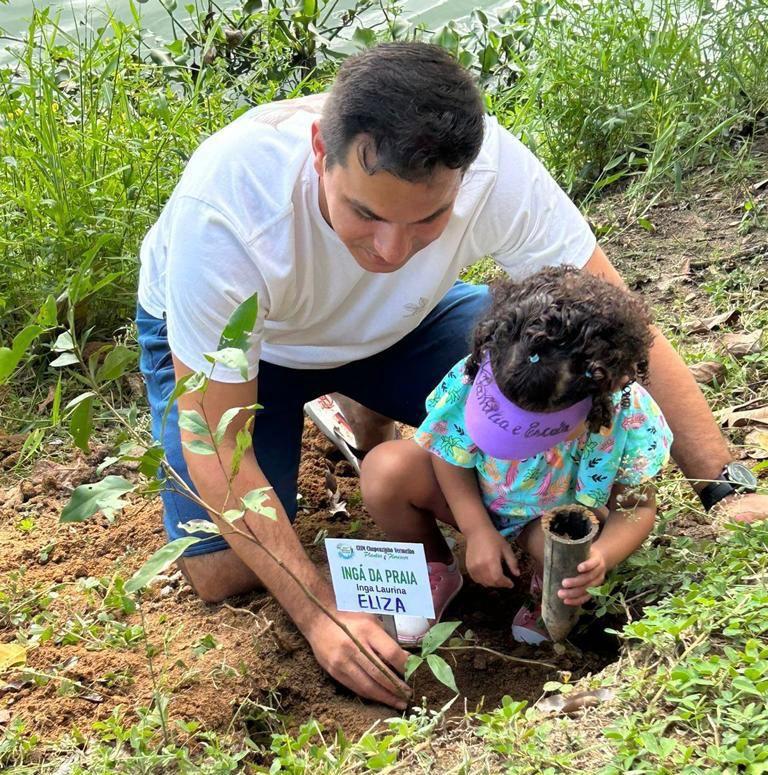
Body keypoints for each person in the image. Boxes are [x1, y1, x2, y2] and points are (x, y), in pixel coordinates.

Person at [136, 42, 764, 710]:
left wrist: (725, 489)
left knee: (545, 399)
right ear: (321, 148)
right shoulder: (229, 212)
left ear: (465, 177)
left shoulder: (497, 170)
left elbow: (621, 327)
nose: (391, 250)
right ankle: (330, 399)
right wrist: (320, 616)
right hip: (253, 352)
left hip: (405, 319)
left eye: (429, 219)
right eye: (366, 213)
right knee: (225, 568)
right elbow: (217, 450)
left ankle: (363, 396)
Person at [360, 267, 673, 644]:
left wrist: (601, 557)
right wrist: (476, 529)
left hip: (550, 519)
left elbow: (635, 505)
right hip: (478, 494)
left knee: (563, 550)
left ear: (597, 399)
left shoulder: (626, 412)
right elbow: (448, 452)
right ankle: (435, 566)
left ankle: (549, 586)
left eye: (535, 431)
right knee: (385, 471)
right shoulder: (480, 372)